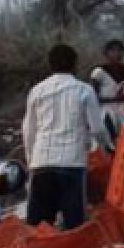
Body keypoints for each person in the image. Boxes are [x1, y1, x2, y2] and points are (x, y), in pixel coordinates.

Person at [23, 44, 106, 230]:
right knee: (74, 225)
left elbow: (29, 130)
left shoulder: (37, 90)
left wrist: (31, 161)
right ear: (75, 64)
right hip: (72, 162)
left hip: (41, 161)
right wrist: (107, 148)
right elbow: (98, 129)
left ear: (50, 64)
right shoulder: (84, 90)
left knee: (39, 225)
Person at [89, 39, 124, 149]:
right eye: (113, 50)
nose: (117, 54)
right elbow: (94, 98)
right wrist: (117, 99)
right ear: (106, 53)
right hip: (106, 112)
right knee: (107, 144)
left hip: (123, 113)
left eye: (120, 51)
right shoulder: (99, 72)